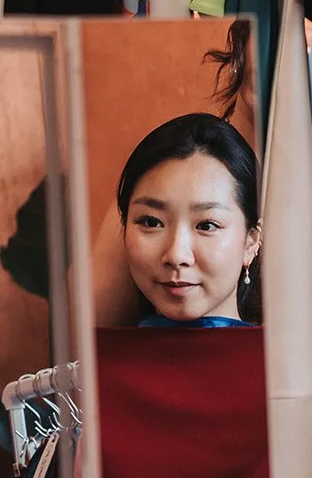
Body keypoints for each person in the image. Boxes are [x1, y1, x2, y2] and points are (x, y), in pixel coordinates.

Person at [112, 113, 263, 328]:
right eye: (152, 222)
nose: (176, 255)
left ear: (251, 242)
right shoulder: (95, 361)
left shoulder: (283, 360)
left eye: (206, 226)